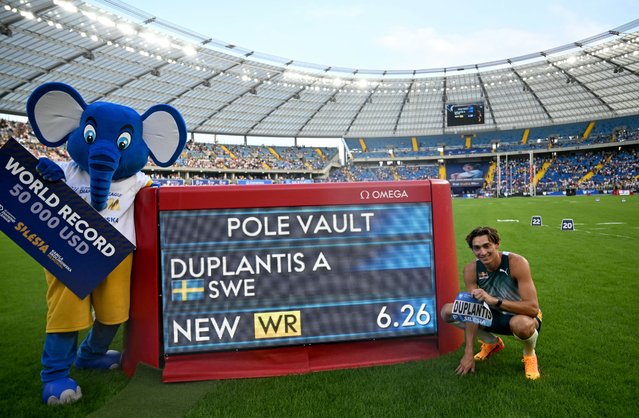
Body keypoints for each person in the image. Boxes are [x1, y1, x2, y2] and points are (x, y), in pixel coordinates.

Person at [440, 226, 542, 380]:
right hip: (493, 314)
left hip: (521, 315)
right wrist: (468, 353)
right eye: (477, 248)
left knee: (522, 325)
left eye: (487, 246)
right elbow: (471, 311)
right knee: (447, 311)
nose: (482, 252)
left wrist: (495, 301)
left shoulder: (517, 263)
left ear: (497, 244)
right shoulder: (471, 269)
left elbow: (533, 309)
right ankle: (492, 343)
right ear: (472, 249)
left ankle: (529, 355)